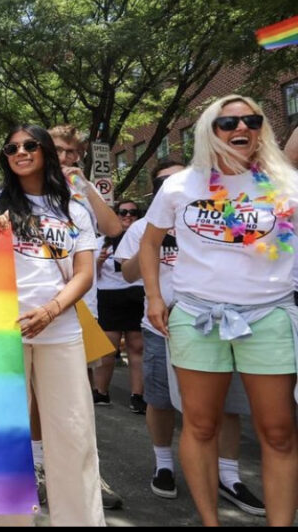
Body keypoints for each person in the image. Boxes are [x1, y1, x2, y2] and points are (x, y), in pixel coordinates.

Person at [140, 94, 298, 526]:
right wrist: (156, 298)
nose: (240, 129)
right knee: (201, 425)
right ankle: (210, 521)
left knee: (279, 432)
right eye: (228, 123)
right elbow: (149, 243)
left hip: (269, 315)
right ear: (209, 130)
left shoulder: (287, 184)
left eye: (251, 120)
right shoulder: (180, 186)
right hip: (197, 316)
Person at [0, 124, 105, 526]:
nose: (20, 152)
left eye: (29, 145)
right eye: (11, 147)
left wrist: (50, 311)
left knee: (73, 436)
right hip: (0, 334)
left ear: (44, 150)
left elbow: (84, 273)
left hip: (61, 332)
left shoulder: (73, 209)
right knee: (4, 438)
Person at [117, 159, 265, 516]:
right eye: (169, 181)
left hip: (220, 325)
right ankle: (164, 463)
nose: (181, 185)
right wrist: (154, 240)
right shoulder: (141, 228)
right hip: (162, 328)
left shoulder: (221, 215)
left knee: (227, 404)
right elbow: (126, 274)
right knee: (161, 400)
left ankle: (228, 476)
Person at [37, 124, 123, 510]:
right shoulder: (22, 190)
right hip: (34, 309)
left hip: (80, 307)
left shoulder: (80, 198)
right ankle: (40, 467)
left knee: (78, 399)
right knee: (36, 398)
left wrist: (85, 186)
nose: (67, 158)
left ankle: (86, 472)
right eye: (60, 150)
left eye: (73, 152)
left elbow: (113, 227)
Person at [92, 199, 146, 413]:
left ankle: (138, 395)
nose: (127, 216)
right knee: (107, 349)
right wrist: (98, 261)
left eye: (133, 212)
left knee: (137, 347)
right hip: (109, 296)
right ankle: (101, 391)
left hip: (136, 293)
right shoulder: (98, 243)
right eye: (122, 212)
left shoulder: (144, 239)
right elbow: (89, 278)